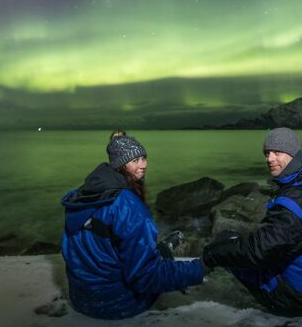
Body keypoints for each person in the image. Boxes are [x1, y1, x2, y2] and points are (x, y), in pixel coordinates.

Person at [201, 127, 302, 317]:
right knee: (240, 243)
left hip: (300, 296)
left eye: (277, 152)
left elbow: (260, 251)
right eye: (267, 153)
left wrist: (214, 252)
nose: (269, 159)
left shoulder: (295, 201)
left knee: (226, 242)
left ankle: (192, 274)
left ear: (294, 154)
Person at [61, 131, 204, 319]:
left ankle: (161, 249)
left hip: (82, 297)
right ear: (120, 165)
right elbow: (146, 279)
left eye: (144, 158)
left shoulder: (82, 195)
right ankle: (164, 252)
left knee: (126, 244)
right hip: (116, 303)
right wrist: (203, 266)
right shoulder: (130, 210)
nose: (144, 165)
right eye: (135, 160)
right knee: (157, 263)